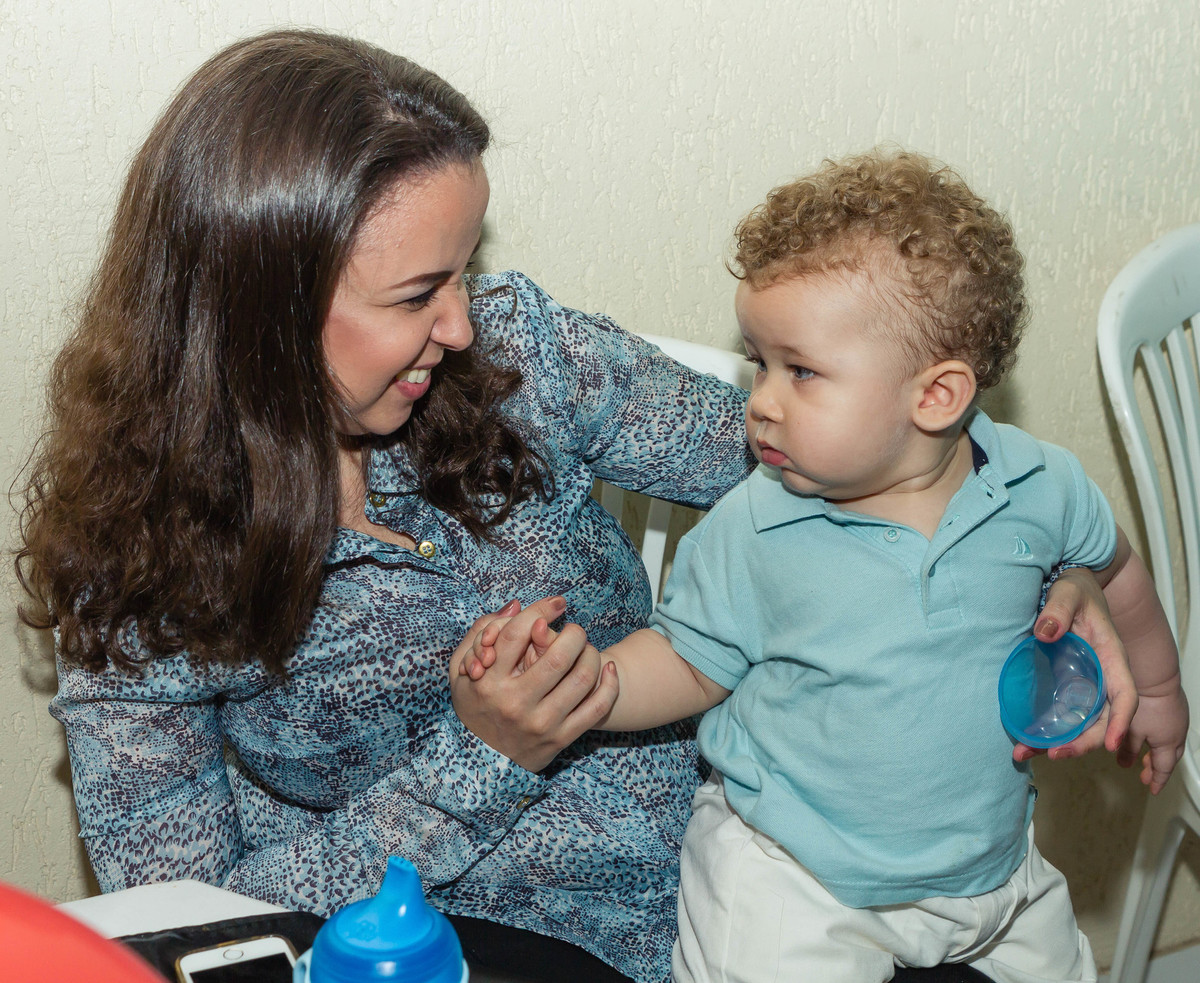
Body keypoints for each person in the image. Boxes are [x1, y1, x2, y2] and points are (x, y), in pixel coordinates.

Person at [14, 30, 1132, 983]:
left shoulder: (519, 355)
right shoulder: (141, 567)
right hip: (469, 938)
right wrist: (483, 756)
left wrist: (1033, 553)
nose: (462, 324)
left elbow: (850, 445)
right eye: (417, 293)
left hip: (774, 859)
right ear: (261, 307)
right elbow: (192, 913)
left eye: (464, 269)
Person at [463, 150, 1188, 982]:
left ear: (937, 396)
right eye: (759, 361)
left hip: (994, 872)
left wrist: (1161, 690)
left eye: (801, 371)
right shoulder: (760, 521)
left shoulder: (1039, 483)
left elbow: (1118, 570)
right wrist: (585, 685)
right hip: (795, 878)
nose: (762, 399)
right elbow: (689, 660)